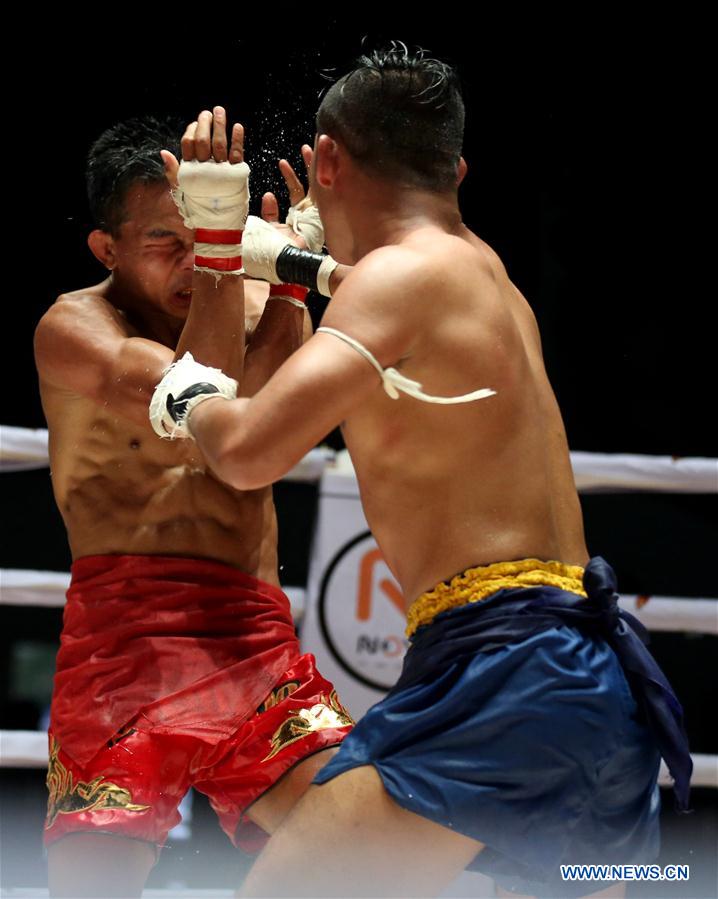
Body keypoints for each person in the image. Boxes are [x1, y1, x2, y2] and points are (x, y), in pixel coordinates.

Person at [150, 51, 691, 899]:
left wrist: (190, 394)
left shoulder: (398, 279)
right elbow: (357, 291)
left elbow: (249, 450)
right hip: (590, 696)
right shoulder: (488, 276)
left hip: (501, 679)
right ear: (455, 170)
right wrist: (296, 262)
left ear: (329, 161)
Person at [34, 108, 353, 898]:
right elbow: (196, 405)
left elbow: (263, 438)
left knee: (355, 838)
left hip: (249, 632)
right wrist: (218, 249)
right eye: (163, 242)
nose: (188, 260)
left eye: (200, 235)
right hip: (120, 643)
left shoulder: (241, 301)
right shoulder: (75, 329)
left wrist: (287, 280)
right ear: (107, 249)